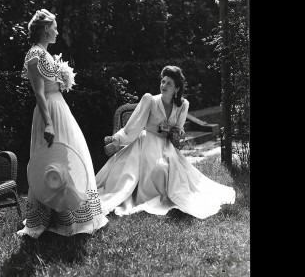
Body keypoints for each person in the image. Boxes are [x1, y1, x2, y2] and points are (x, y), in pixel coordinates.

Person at [96, 65, 235, 219]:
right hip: (146, 142)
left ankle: (174, 195)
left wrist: (177, 133)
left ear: (177, 88)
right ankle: (148, 195)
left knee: (174, 170)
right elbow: (133, 126)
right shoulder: (150, 100)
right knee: (158, 169)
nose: (164, 86)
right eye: (163, 82)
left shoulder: (183, 105)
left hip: (167, 145)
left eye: (169, 83)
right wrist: (117, 141)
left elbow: (180, 129)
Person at [17, 9, 108, 238]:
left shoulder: (45, 53)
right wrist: (48, 124)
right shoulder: (35, 55)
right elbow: (39, 94)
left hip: (60, 108)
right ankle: (54, 216)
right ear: (46, 28)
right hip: (49, 112)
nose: (57, 31)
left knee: (67, 157)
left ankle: (70, 214)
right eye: (55, 27)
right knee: (53, 160)